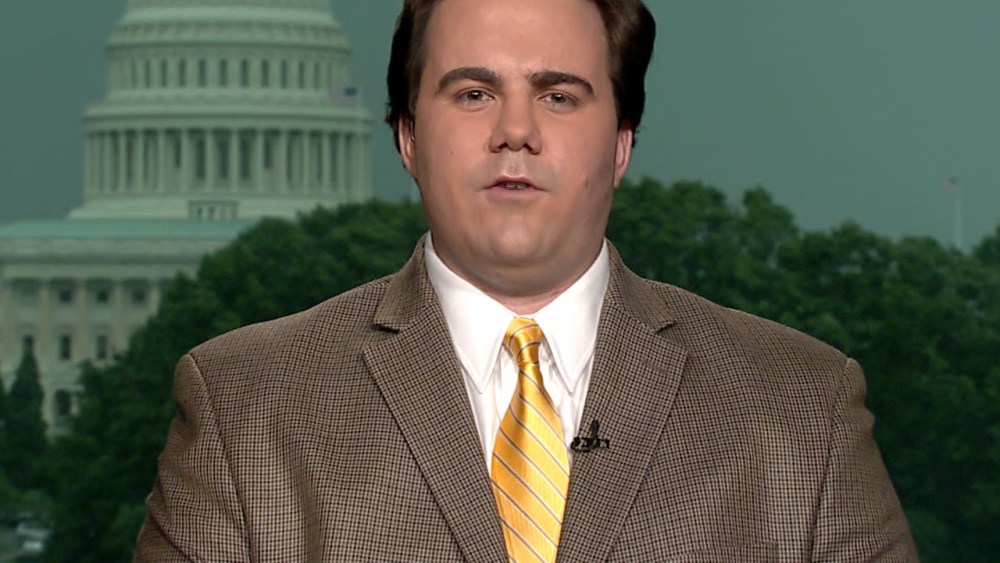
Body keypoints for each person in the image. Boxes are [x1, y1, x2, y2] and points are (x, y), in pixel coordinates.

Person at [134, 0, 918, 560]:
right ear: (408, 136)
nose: (516, 131)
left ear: (622, 141)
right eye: (474, 93)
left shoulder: (801, 407)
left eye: (558, 95)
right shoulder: (245, 406)